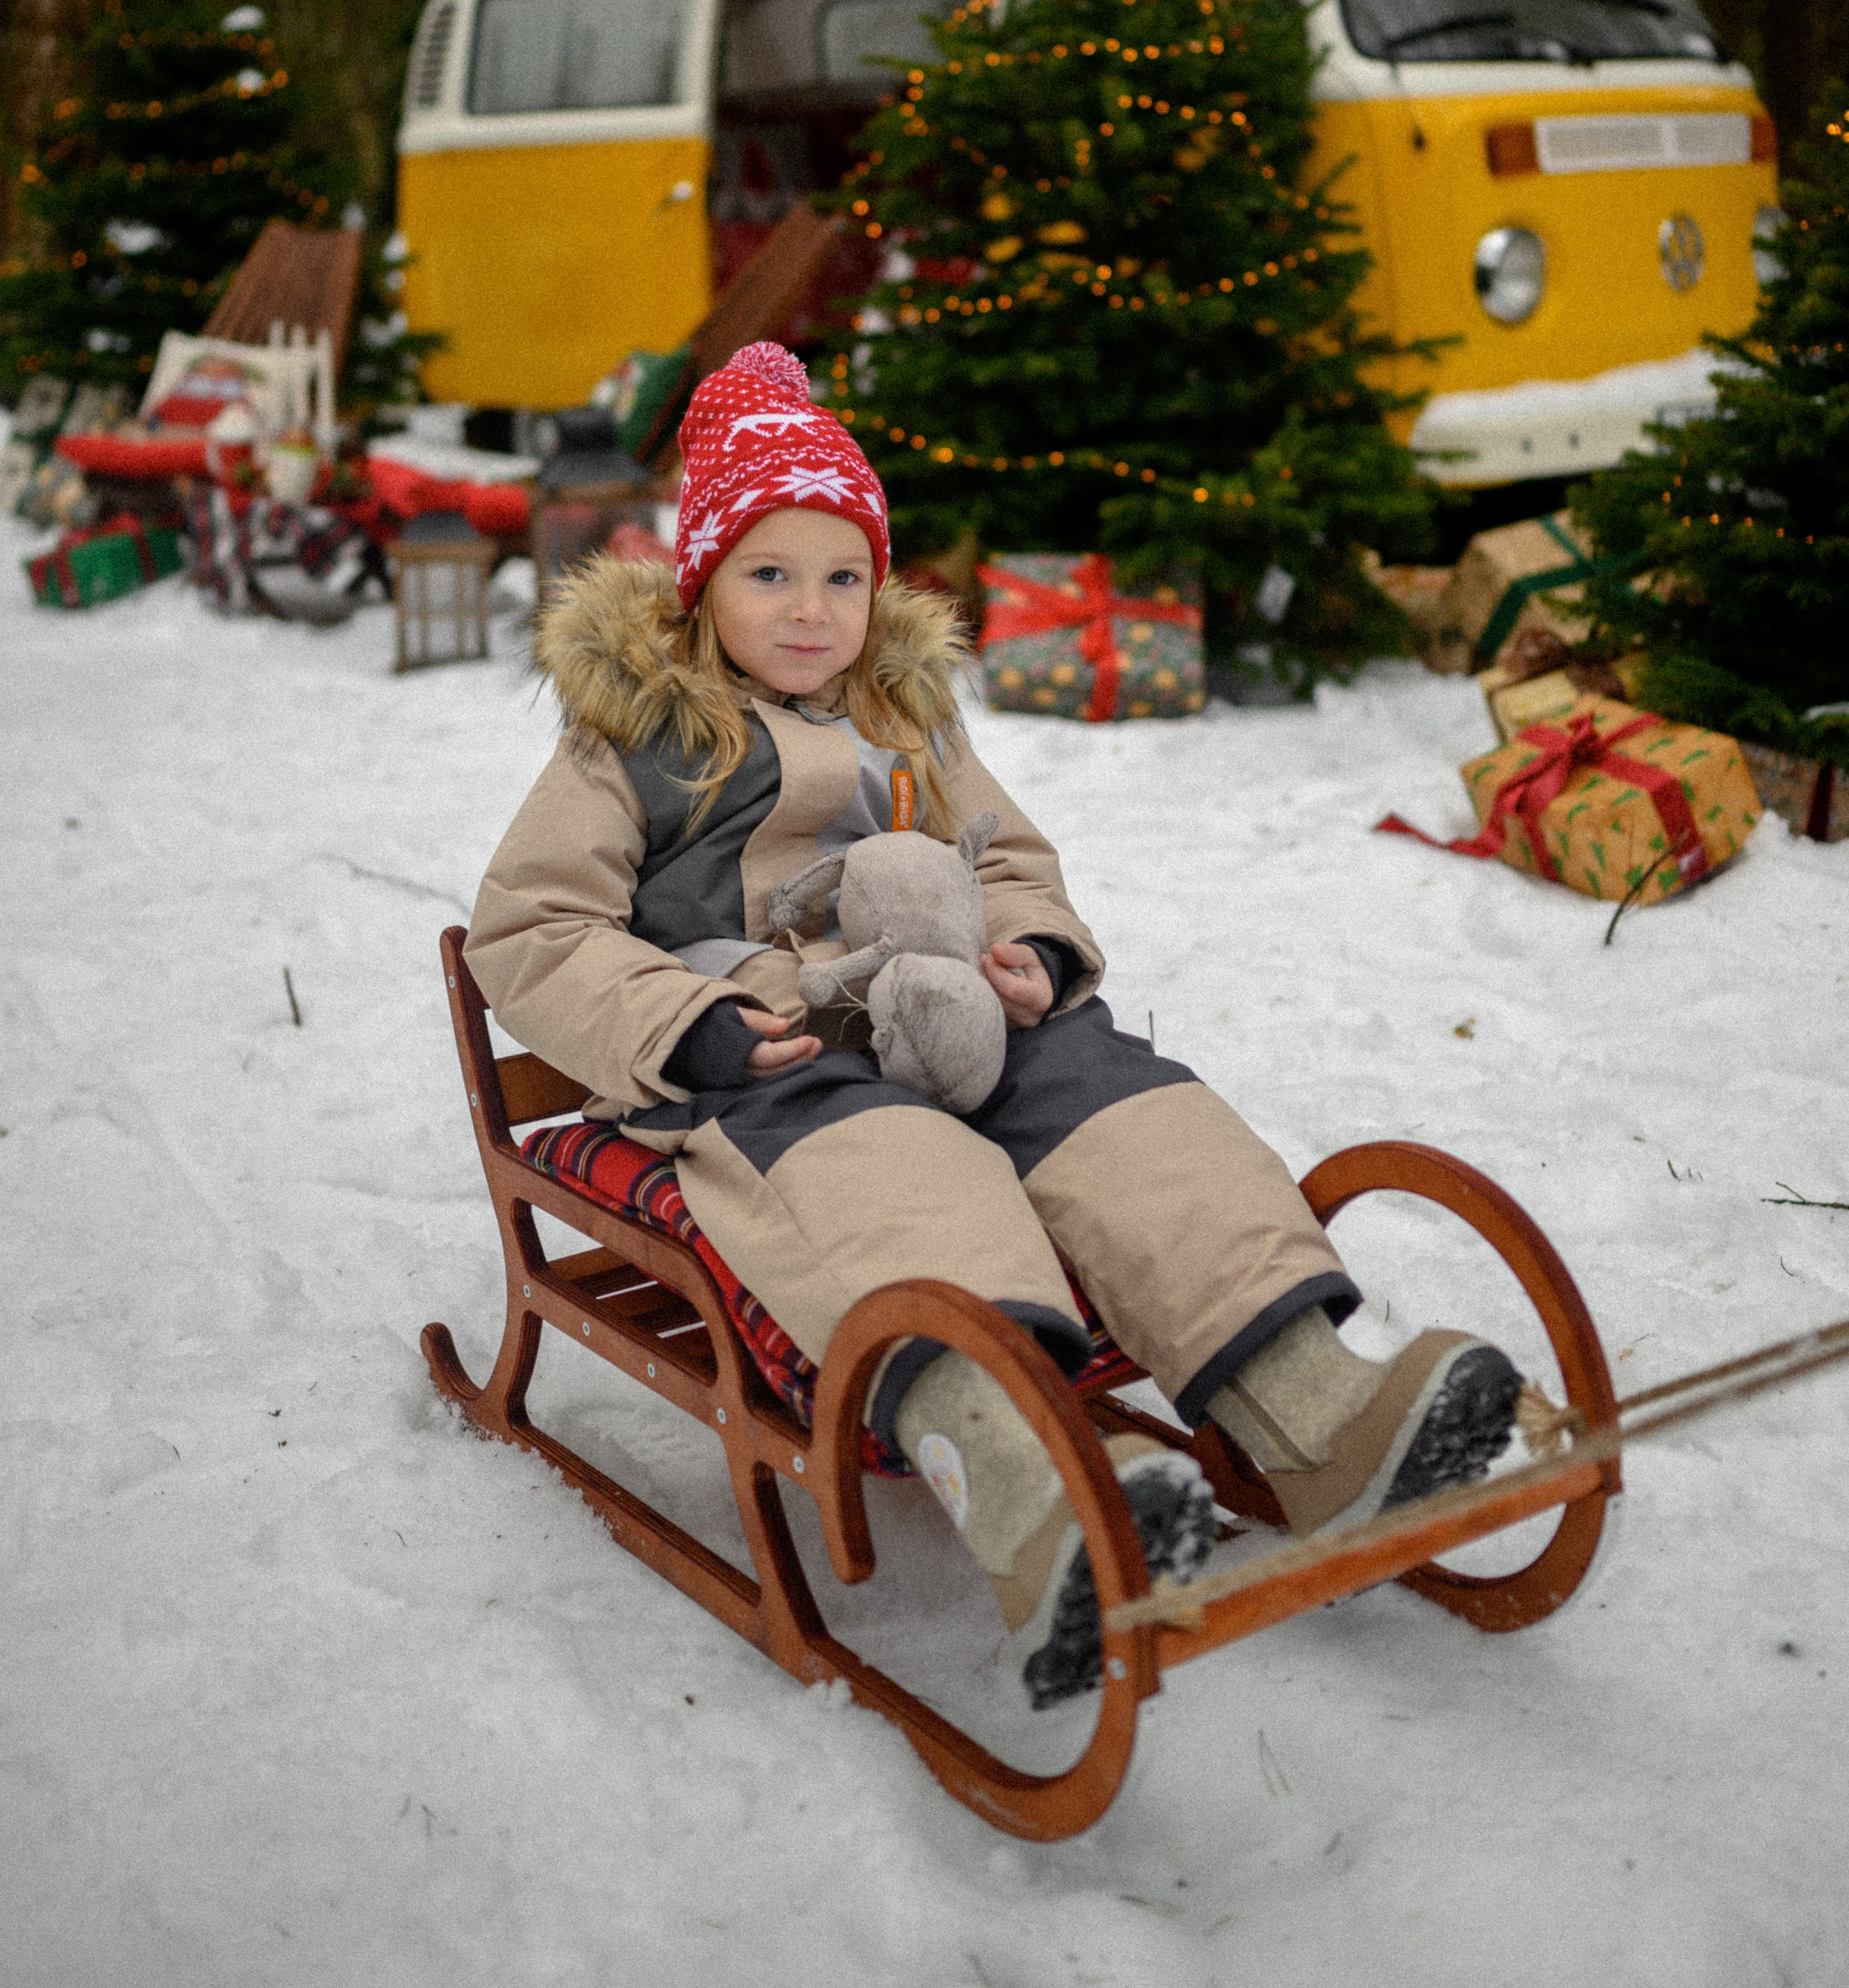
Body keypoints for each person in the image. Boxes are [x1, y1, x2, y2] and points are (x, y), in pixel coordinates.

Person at [466, 342, 1521, 1707]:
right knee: (898, 1183)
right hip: (771, 1054)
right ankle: (1035, 1498)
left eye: (843, 576)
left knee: (1119, 1107)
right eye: (770, 575)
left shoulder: (908, 711)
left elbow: (1008, 855)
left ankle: (1322, 1412)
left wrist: (1026, 947)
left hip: (950, 1001)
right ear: (703, 580)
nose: (812, 612)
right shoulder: (638, 734)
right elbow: (531, 927)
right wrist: (696, 1023)